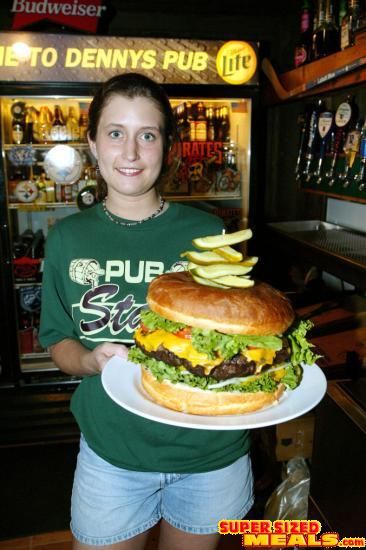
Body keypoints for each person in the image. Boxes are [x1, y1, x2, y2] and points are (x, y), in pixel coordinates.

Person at [39, 73, 253, 550]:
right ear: (93, 144)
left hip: (209, 454)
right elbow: (58, 341)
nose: (131, 153)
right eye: (116, 133)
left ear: (168, 146)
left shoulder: (211, 232)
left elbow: (236, 338)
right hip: (113, 452)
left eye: (147, 135)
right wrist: (91, 360)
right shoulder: (67, 239)